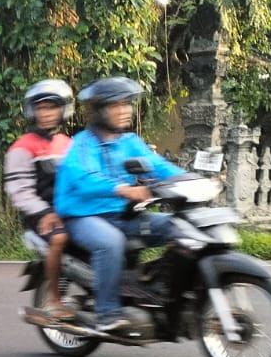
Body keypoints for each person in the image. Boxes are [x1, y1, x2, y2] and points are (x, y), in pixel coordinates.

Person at [53, 77, 183, 335]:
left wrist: (189, 179)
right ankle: (106, 313)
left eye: (127, 104)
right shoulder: (82, 143)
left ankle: (155, 287)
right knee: (110, 242)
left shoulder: (130, 142)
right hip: (84, 215)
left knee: (179, 227)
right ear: (101, 110)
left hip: (123, 214)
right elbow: (84, 177)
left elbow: (158, 166)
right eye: (117, 105)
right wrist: (123, 189)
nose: (125, 110)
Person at [5, 80, 75, 322]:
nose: (45, 114)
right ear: (32, 111)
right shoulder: (22, 147)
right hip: (40, 216)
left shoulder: (68, 144)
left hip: (69, 211)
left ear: (63, 110)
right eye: (41, 108)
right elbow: (19, 191)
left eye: (52, 107)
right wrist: (44, 212)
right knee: (59, 238)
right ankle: (54, 301)